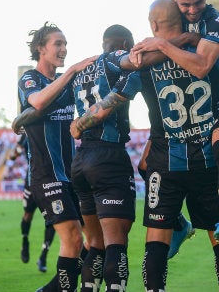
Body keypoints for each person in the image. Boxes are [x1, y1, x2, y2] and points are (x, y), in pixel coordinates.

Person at [71, 0, 219, 292]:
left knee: (156, 242)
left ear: (153, 25)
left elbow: (110, 104)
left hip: (167, 162)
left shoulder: (144, 64)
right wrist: (194, 40)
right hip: (206, 159)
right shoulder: (205, 54)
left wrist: (80, 123)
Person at [132, 0, 219, 247]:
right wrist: (180, 40)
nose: (193, 9)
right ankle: (179, 225)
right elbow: (145, 58)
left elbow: (202, 67)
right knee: (145, 166)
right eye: (185, 4)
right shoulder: (176, 20)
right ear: (175, 0)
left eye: (198, 1)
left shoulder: (214, 19)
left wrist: (165, 43)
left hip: (218, 97)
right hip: (176, 110)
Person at [13, 22, 97, 292]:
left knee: (96, 244)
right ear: (41, 48)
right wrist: (72, 70)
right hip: (46, 175)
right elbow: (37, 102)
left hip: (72, 174)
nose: (64, 49)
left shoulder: (68, 83)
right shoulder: (30, 79)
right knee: (72, 240)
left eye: (65, 44)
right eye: (57, 44)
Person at [69, 24, 137, 292]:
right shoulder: (114, 58)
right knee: (115, 241)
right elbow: (132, 60)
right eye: (129, 44)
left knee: (94, 244)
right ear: (122, 42)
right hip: (108, 157)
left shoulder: (81, 71)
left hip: (81, 159)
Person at [10, 133, 55, 272]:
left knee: (54, 219)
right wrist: (16, 151)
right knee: (28, 214)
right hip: (32, 180)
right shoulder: (27, 131)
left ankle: (43, 256)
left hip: (52, 179)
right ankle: (25, 240)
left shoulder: (53, 127)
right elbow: (14, 154)